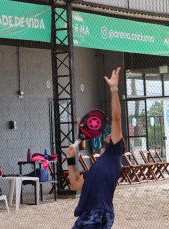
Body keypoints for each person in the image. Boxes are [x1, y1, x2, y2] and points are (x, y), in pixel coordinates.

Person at [66, 67, 125, 229]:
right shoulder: (95, 168)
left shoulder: (114, 154)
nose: (109, 135)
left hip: (97, 213)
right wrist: (71, 158)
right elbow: (76, 184)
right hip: (88, 214)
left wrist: (114, 88)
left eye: (113, 136)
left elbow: (116, 117)